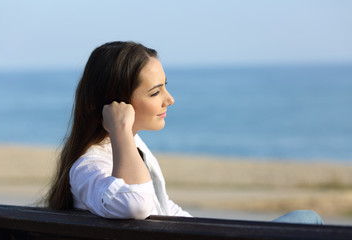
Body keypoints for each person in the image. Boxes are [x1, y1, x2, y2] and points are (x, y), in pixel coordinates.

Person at [46, 41, 323, 224]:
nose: (170, 99)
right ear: (116, 104)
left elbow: (162, 208)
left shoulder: (130, 147)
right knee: (306, 220)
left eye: (165, 86)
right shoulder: (88, 167)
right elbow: (137, 205)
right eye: (155, 92)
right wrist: (120, 131)